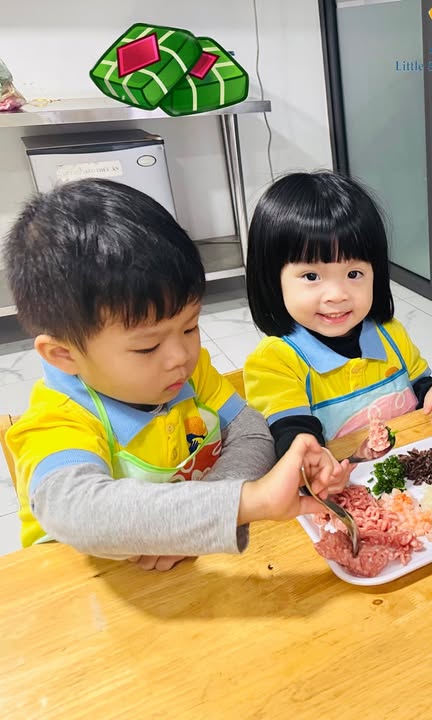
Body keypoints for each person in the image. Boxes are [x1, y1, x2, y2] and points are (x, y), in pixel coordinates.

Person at [3, 179, 350, 570]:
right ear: (63, 354)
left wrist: (198, 522)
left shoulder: (192, 373)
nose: (181, 357)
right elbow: (80, 512)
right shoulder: (57, 421)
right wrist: (244, 502)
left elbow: (251, 431)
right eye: (147, 347)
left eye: (190, 327)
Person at [244, 171, 432, 459]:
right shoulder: (275, 361)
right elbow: (291, 432)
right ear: (273, 280)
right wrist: (306, 454)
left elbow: (419, 383)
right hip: (341, 483)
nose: (337, 295)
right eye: (311, 276)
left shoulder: (390, 333)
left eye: (354, 273)